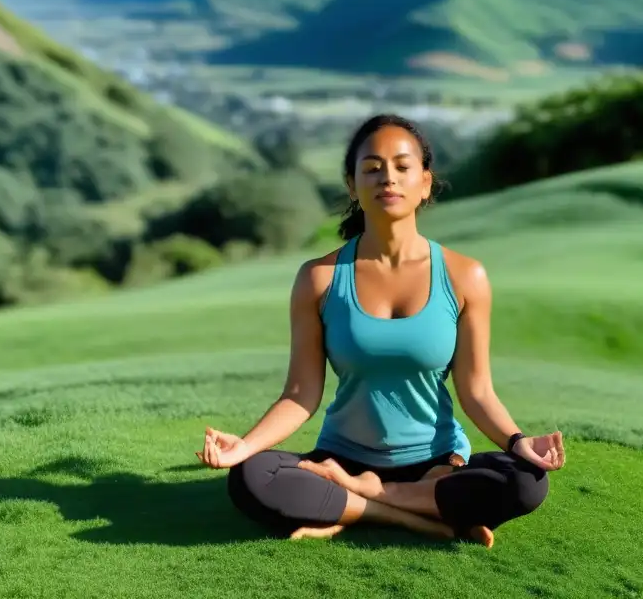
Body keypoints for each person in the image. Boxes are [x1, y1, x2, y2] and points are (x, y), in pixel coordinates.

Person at [197, 114, 566, 547]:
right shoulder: (319, 278)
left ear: (425, 183)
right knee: (252, 476)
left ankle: (365, 501)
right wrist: (244, 447)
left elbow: (477, 391)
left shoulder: (466, 276)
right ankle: (414, 517)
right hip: (342, 459)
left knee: (525, 481)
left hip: (435, 463)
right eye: (372, 168)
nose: (387, 177)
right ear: (353, 186)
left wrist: (519, 442)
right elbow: (300, 393)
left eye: (401, 167)